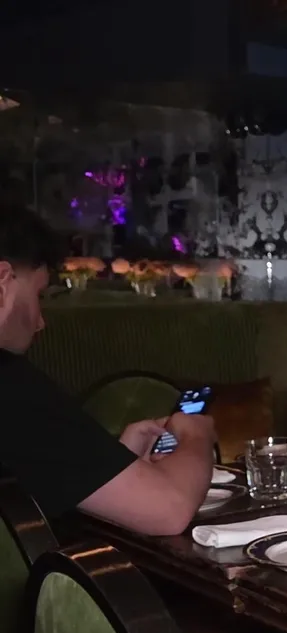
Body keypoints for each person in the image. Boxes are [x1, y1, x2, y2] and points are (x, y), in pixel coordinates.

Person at [0, 204, 216, 536]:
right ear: (2, 284)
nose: (40, 321)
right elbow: (169, 511)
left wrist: (112, 464)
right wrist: (197, 437)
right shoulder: (11, 386)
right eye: (38, 294)